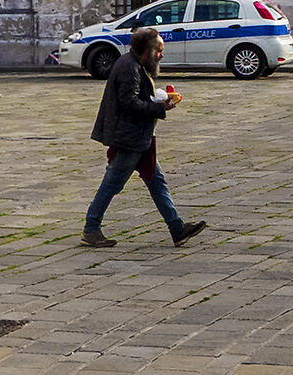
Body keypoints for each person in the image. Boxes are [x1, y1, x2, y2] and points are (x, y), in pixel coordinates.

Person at [83, 25, 205, 248]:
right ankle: (91, 228)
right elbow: (128, 103)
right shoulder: (129, 67)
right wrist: (160, 108)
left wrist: (157, 102)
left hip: (139, 136)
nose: (161, 55)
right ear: (147, 49)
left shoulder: (134, 64)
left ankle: (177, 229)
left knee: (156, 181)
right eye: (159, 50)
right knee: (112, 183)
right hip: (129, 137)